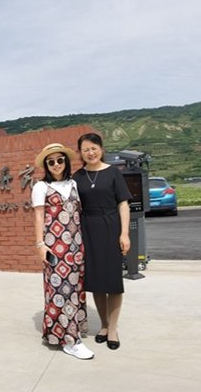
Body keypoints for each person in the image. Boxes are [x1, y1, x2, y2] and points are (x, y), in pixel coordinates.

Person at [31, 143, 94, 360]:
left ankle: (63, 332)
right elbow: (39, 216)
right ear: (46, 166)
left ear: (66, 162)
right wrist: (40, 244)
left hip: (76, 246)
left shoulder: (74, 184)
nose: (56, 164)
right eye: (51, 162)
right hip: (54, 246)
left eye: (60, 160)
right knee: (60, 290)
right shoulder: (40, 187)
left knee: (75, 289)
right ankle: (70, 340)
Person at [73, 132, 132, 350]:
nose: (90, 152)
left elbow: (123, 204)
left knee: (114, 282)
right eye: (85, 149)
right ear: (80, 152)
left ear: (101, 149)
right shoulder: (77, 177)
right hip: (88, 230)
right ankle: (104, 325)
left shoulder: (113, 173)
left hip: (111, 227)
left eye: (94, 148)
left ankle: (114, 328)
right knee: (97, 282)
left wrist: (124, 234)